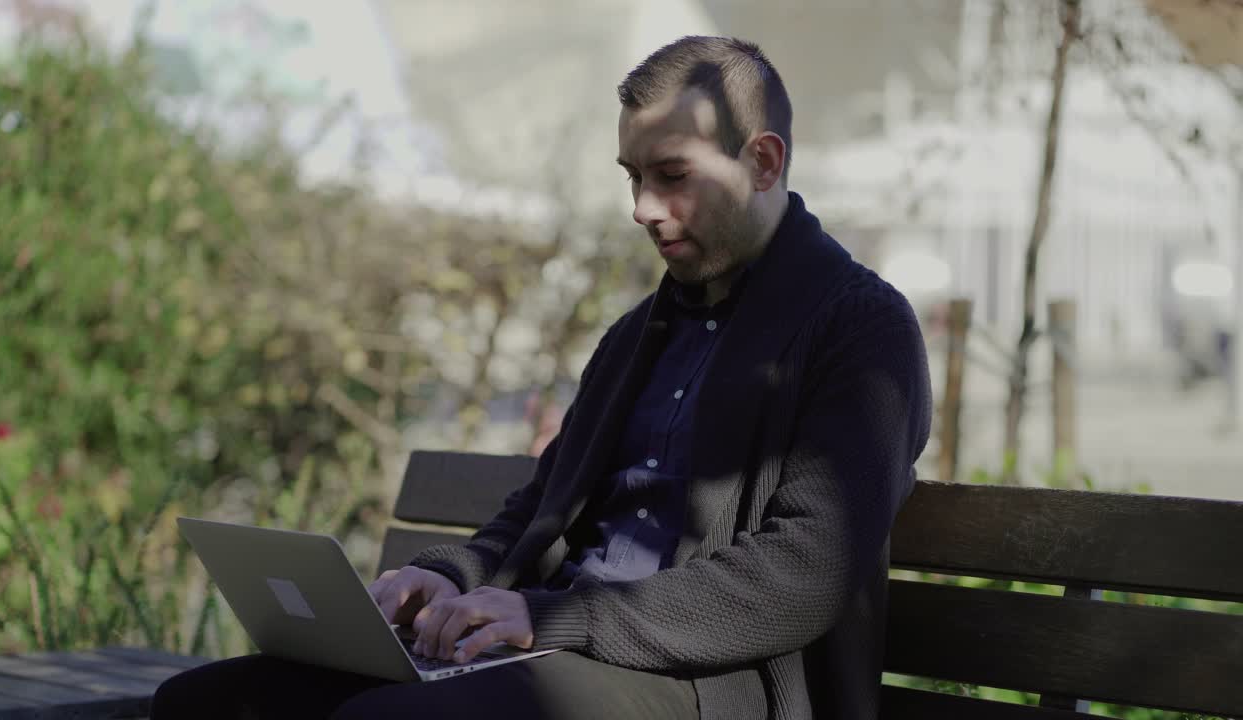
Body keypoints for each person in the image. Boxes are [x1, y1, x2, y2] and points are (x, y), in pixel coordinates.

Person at [151, 35, 932, 720]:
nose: (643, 209)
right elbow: (538, 511)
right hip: (560, 648)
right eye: (633, 177)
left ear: (762, 161)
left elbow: (805, 573)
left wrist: (555, 618)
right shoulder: (638, 336)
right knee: (204, 702)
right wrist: (440, 578)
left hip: (709, 684)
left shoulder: (861, 327)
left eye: (672, 175)